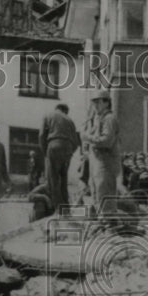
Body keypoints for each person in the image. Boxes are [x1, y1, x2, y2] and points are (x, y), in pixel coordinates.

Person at [81, 90, 120, 226]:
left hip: (106, 160)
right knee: (96, 189)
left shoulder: (109, 118)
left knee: (104, 190)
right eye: (94, 102)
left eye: (98, 102)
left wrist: (88, 138)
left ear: (106, 102)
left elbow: (107, 141)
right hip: (97, 159)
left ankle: (109, 223)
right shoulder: (98, 118)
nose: (95, 105)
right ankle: (102, 221)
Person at [39, 103, 79, 215]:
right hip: (68, 149)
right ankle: (66, 208)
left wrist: (46, 151)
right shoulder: (70, 121)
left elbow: (42, 135)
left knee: (53, 179)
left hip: (54, 146)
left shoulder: (48, 115)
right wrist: (69, 152)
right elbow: (76, 142)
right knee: (63, 179)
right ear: (65, 111)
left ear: (57, 108)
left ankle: (58, 209)